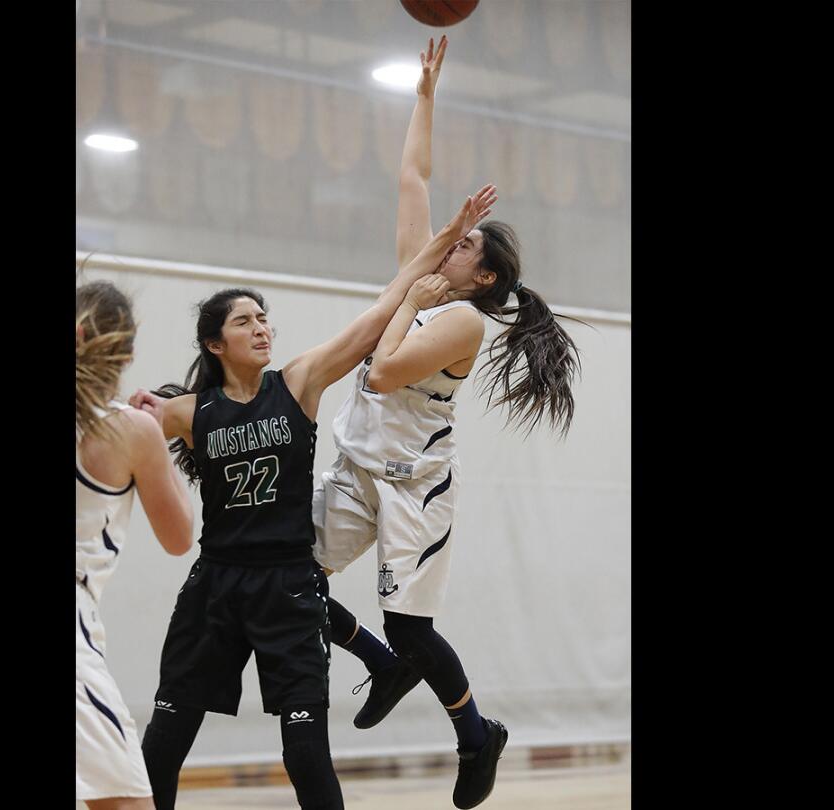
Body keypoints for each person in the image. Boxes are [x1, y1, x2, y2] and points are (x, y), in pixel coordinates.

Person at [128, 188, 498, 810]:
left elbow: (385, 306)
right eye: (244, 321)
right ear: (215, 344)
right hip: (214, 587)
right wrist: (126, 411)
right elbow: (105, 430)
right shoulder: (188, 412)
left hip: (289, 588)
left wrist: (447, 236)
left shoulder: (298, 381)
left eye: (263, 316)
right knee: (163, 745)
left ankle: (390, 670)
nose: (261, 326)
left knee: (305, 755)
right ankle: (384, 665)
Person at [313, 36, 584, 810]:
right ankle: (378, 660)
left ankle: (476, 733)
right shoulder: (429, 277)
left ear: (485, 274)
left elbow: (383, 369)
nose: (449, 245)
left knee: (412, 629)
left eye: (464, 244)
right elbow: (412, 177)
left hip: (414, 486)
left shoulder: (462, 320)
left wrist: (404, 296)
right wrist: (425, 94)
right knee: (288, 580)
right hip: (358, 465)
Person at [76, 281, 197, 809]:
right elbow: (179, 537)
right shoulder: (131, 431)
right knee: (125, 802)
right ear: (125, 353)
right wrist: (161, 435)